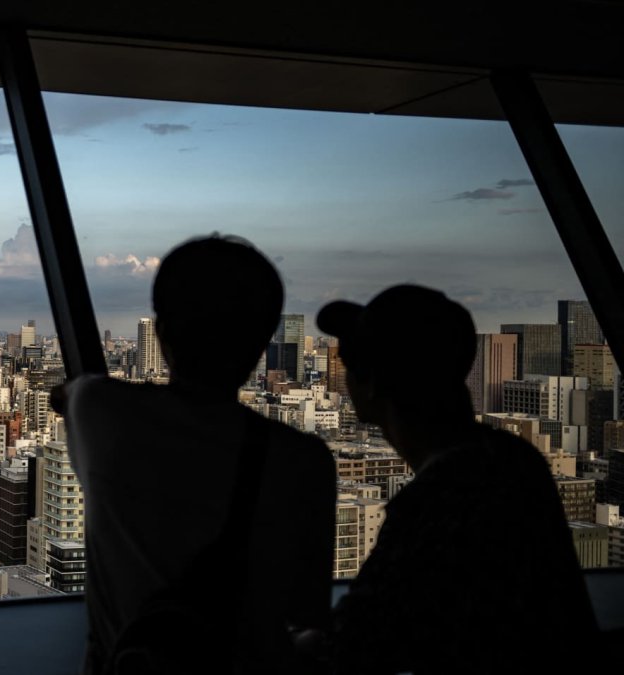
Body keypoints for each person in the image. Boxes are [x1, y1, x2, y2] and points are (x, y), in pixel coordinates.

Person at [60, 235, 337, 674]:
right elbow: (307, 614)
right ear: (263, 343)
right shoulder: (302, 460)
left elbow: (67, 394)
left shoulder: (101, 413)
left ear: (163, 331)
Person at [316, 284, 599, 674]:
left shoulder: (441, 495)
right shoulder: (514, 458)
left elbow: (359, 637)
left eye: (351, 364)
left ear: (373, 385)